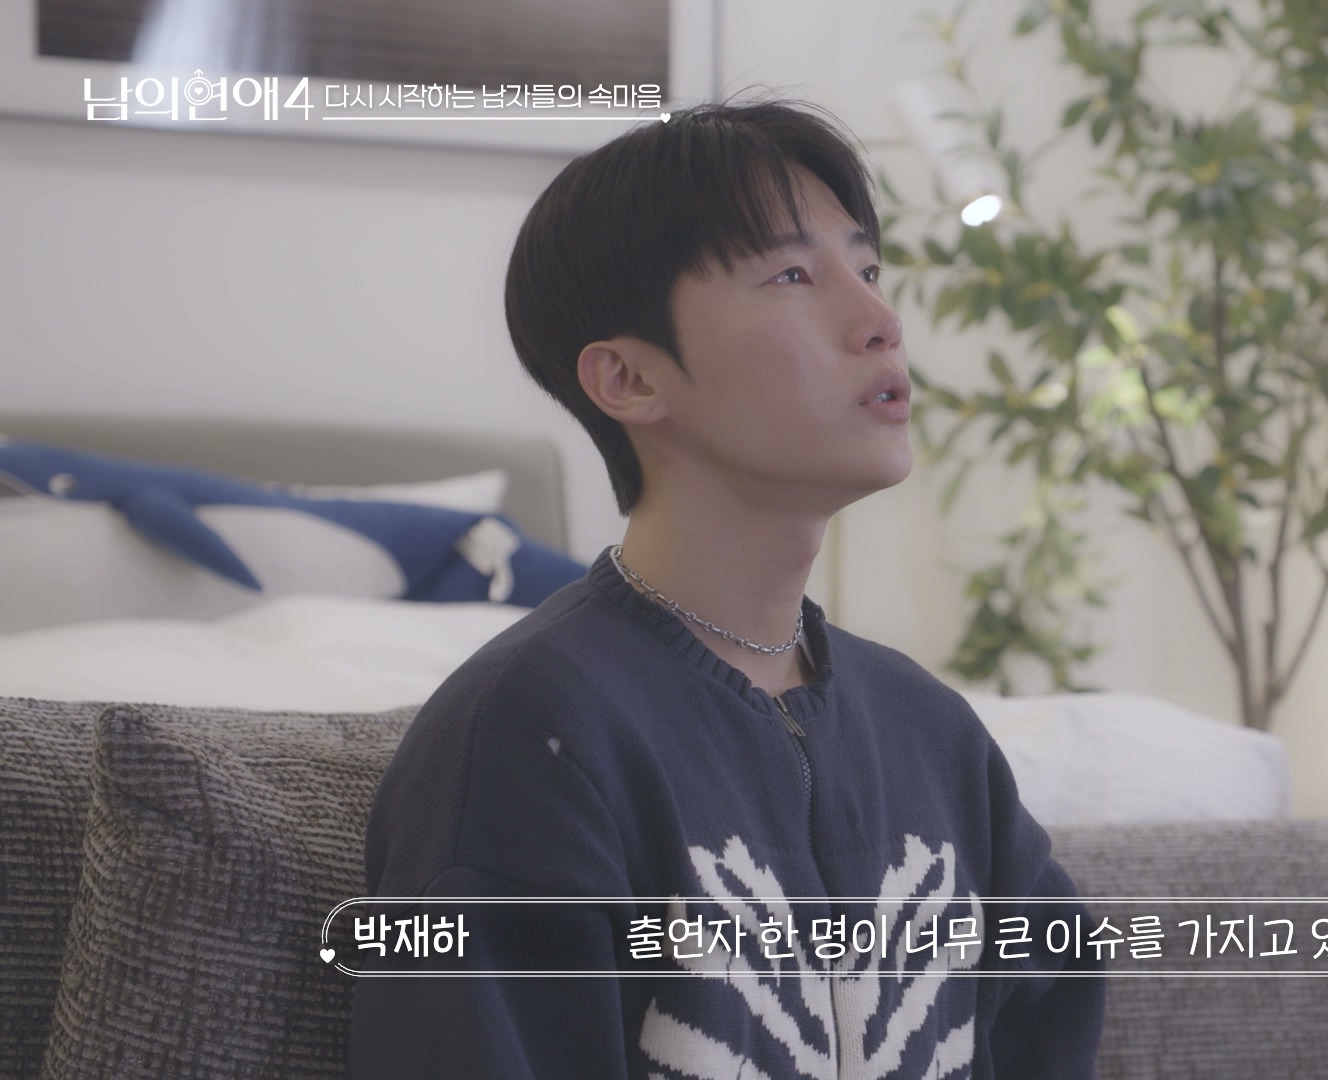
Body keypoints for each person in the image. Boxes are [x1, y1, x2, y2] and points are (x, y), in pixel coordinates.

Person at [348, 94, 1106, 1079]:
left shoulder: (931, 731)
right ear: (629, 380)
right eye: (792, 275)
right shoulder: (530, 732)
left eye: (869, 271)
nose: (881, 322)